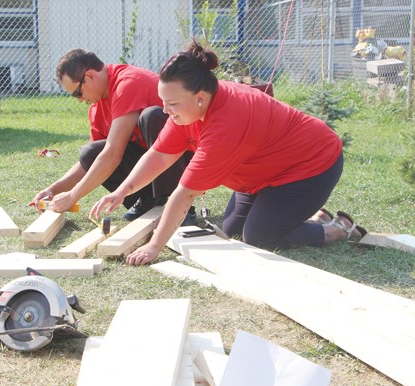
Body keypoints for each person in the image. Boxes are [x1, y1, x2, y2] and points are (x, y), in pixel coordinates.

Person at [90, 40, 367, 265]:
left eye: (172, 103)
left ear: (200, 97)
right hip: (261, 173)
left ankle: (336, 228)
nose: (165, 110)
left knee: (260, 236)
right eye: (164, 101)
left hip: (310, 165)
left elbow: (184, 194)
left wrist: (154, 246)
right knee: (233, 229)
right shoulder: (188, 112)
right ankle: (305, 212)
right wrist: (122, 190)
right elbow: (160, 155)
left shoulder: (227, 122)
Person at [29, 49, 194, 223]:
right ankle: (150, 201)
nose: (79, 99)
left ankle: (182, 205)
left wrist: (73, 196)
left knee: (151, 116)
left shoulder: (127, 84)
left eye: (78, 92)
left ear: (90, 76)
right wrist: (53, 190)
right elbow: (95, 161)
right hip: (154, 161)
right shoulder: (97, 108)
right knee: (90, 153)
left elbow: (112, 156)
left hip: (186, 154)